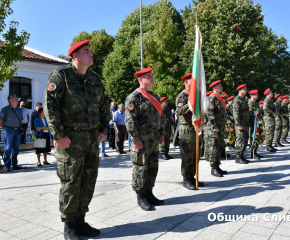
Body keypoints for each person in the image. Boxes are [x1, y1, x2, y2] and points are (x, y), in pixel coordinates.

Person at [44, 40, 110, 240]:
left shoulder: (95, 79)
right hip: (69, 141)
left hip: (91, 140)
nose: (91, 54)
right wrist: (58, 135)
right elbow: (51, 106)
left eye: (91, 51)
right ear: (75, 56)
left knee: (88, 182)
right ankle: (69, 226)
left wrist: (103, 129)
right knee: (70, 183)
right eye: (86, 52)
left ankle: (81, 221)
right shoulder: (61, 76)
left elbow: (104, 106)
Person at [125, 67, 164, 211]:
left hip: (153, 138)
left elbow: (160, 117)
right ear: (140, 80)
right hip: (141, 138)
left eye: (152, 76)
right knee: (140, 167)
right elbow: (130, 121)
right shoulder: (134, 97)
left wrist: (161, 133)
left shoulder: (154, 96)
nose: (152, 78)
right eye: (148, 76)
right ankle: (140, 196)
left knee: (153, 167)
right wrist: (135, 139)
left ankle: (149, 193)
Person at [175, 73, 205, 188]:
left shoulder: (196, 95)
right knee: (187, 156)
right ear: (186, 82)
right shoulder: (182, 96)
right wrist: (191, 104)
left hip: (195, 128)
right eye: (193, 80)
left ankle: (192, 177)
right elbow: (179, 111)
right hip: (186, 129)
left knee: (195, 155)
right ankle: (186, 179)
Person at [206, 80, 228, 177]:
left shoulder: (219, 98)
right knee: (214, 147)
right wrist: (214, 126)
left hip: (220, 127)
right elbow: (210, 113)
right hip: (214, 128)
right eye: (219, 85)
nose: (221, 86)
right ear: (214, 88)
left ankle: (217, 166)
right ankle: (213, 168)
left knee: (219, 147)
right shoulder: (212, 98)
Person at [0, 94, 23, 172]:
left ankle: (14, 164)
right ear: (11, 101)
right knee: (8, 148)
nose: (17, 100)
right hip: (9, 130)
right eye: (15, 99)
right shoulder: (5, 109)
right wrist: (6, 128)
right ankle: (7, 165)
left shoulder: (20, 110)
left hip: (18, 130)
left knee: (16, 148)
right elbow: (1, 121)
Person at [232, 84, 251, 164]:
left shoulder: (243, 99)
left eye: (246, 89)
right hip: (240, 124)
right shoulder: (237, 100)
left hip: (245, 123)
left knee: (245, 140)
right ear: (240, 90)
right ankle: (238, 157)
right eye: (244, 89)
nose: (246, 90)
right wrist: (238, 124)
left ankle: (242, 155)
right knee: (240, 140)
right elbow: (235, 113)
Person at [248, 90, 263, 159]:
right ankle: (252, 153)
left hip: (257, 123)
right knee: (253, 138)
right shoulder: (250, 103)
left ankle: (255, 152)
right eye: (256, 94)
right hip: (252, 123)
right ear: (252, 95)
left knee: (257, 137)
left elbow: (259, 113)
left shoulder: (256, 103)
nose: (258, 96)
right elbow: (249, 114)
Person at [263, 88, 277, 152]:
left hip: (271, 118)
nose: (272, 94)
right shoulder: (266, 100)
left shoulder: (270, 101)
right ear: (268, 94)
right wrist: (272, 113)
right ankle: (268, 146)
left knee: (271, 132)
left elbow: (274, 108)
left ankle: (270, 145)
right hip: (268, 119)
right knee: (269, 132)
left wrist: (275, 112)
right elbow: (265, 108)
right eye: (271, 93)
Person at [203, 91, 213, 161]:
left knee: (210, 140)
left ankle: (210, 153)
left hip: (210, 124)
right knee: (206, 140)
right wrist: (205, 123)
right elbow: (204, 114)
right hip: (206, 124)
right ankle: (207, 154)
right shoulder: (205, 104)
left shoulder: (209, 102)